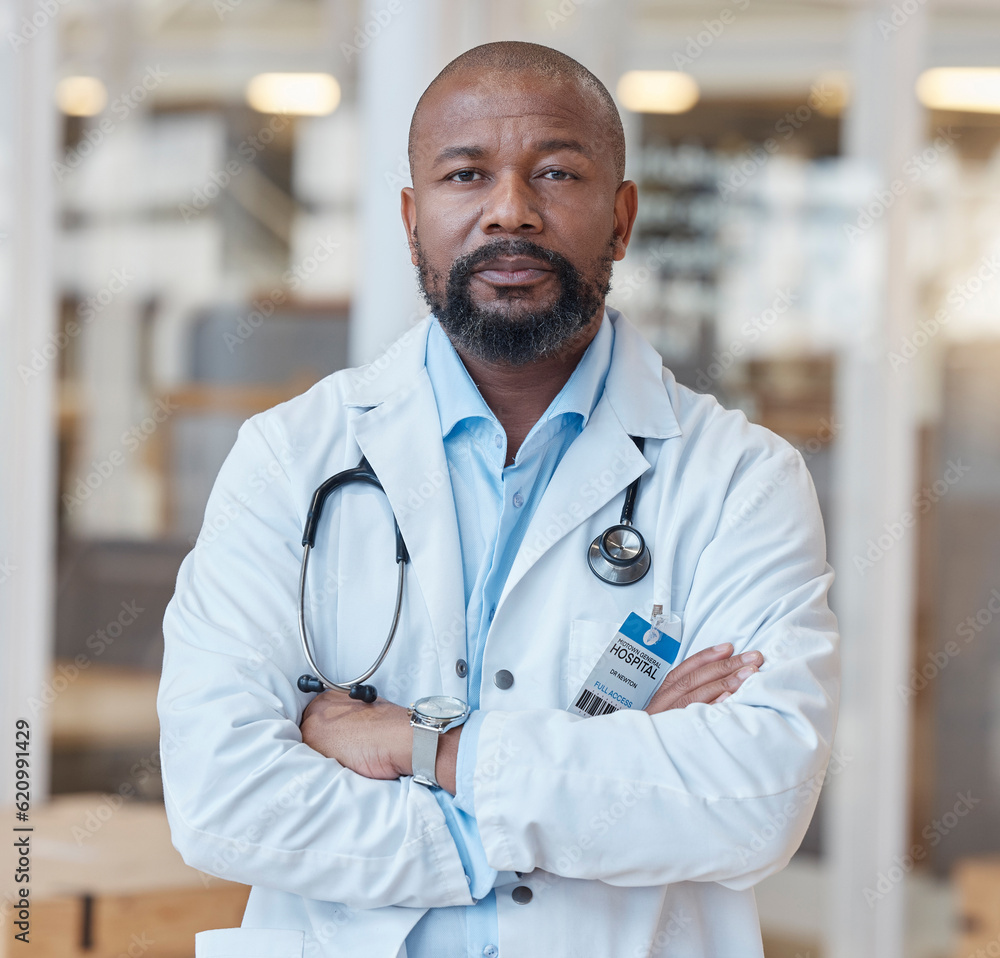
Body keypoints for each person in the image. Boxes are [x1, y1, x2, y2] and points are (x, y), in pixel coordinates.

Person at [158, 41, 839, 958]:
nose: (510, 211)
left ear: (622, 216)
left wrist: (417, 745)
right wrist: (570, 798)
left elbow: (753, 799)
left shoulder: (739, 480)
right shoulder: (290, 459)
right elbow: (222, 800)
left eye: (556, 171)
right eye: (465, 174)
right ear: (411, 220)